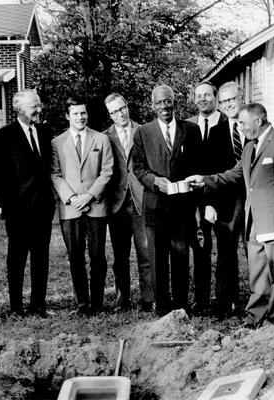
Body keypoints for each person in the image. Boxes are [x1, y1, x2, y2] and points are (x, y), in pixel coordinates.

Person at [187, 103, 274, 328]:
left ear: (258, 121)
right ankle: (255, 315)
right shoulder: (249, 148)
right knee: (257, 271)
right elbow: (234, 174)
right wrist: (206, 180)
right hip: (254, 221)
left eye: (244, 123)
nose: (240, 127)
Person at [132, 84, 202, 316]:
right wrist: (154, 181)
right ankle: (162, 306)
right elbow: (138, 168)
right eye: (159, 103)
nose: (164, 106)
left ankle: (181, 305)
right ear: (152, 106)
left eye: (168, 101)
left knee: (181, 256)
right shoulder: (143, 132)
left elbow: (196, 165)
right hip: (155, 207)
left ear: (175, 102)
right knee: (157, 258)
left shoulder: (190, 130)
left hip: (182, 207)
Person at [0, 89, 55, 317]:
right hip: (18, 212)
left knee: (40, 259)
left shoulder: (45, 132)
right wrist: (7, 206)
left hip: (43, 210)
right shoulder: (3, 136)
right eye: (33, 106)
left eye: (39, 105)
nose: (38, 109)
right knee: (16, 260)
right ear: (18, 109)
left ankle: (38, 305)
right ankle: (16, 307)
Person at [51, 97, 113, 314]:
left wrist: (89, 196)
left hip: (95, 206)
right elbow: (55, 174)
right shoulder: (57, 143)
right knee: (75, 257)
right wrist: (71, 198)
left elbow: (107, 172)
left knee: (97, 257)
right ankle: (82, 304)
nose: (80, 117)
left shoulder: (101, 139)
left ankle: (97, 303)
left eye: (83, 113)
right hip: (70, 209)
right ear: (68, 116)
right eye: (76, 113)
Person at [103, 93, 154, 312]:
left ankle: (148, 299)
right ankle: (122, 299)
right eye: (114, 112)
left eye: (121, 108)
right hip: (117, 203)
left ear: (127, 106)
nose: (119, 114)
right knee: (120, 256)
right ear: (109, 114)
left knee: (145, 253)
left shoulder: (144, 131)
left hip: (141, 199)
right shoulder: (105, 137)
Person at [204, 81, 247, 319]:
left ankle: (261, 301)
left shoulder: (254, 127)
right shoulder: (216, 132)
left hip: (254, 199)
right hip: (225, 201)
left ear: (242, 98)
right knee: (226, 254)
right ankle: (225, 303)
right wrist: (209, 203)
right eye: (224, 101)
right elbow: (209, 171)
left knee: (255, 251)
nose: (229, 104)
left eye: (233, 99)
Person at [185, 81, 226, 315]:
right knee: (200, 248)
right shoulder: (188, 125)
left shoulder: (226, 123)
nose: (202, 99)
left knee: (224, 251)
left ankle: (223, 300)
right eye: (198, 96)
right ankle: (201, 300)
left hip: (221, 196)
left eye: (207, 95)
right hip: (196, 198)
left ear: (215, 97)